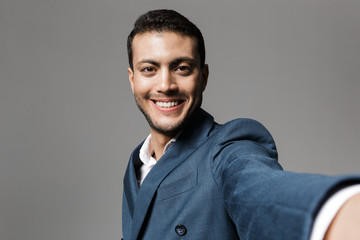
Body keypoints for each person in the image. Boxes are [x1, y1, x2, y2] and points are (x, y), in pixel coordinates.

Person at [122, 9, 360, 240]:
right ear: (133, 79)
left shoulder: (228, 148)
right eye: (149, 69)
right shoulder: (137, 163)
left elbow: (267, 194)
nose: (166, 85)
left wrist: (341, 210)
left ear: (203, 77)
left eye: (182, 68)